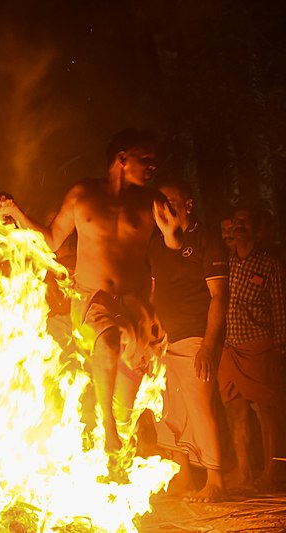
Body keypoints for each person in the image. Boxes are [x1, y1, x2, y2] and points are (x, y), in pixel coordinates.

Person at [0, 128, 182, 471]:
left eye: (154, 160)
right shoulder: (83, 194)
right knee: (106, 344)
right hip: (95, 298)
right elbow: (49, 241)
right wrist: (16, 213)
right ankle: (105, 424)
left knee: (128, 397)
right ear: (122, 159)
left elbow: (175, 245)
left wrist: (170, 231)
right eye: (145, 158)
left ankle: (117, 453)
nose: (153, 166)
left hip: (135, 303)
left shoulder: (151, 200)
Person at [148, 178, 228, 502]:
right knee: (166, 409)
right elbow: (154, 294)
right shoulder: (156, 245)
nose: (164, 209)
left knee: (198, 407)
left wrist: (209, 345)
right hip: (164, 340)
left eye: (171, 201)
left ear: (188, 204)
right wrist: (150, 334)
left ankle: (216, 481)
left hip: (196, 337)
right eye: (160, 203)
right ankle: (182, 476)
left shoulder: (207, 240)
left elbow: (219, 296)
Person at [218, 205, 286, 491]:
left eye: (246, 221)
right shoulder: (225, 263)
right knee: (234, 409)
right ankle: (244, 473)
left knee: (266, 411)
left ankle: (272, 472)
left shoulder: (269, 264)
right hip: (228, 346)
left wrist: (279, 348)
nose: (239, 225)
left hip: (258, 346)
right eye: (237, 222)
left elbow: (280, 307)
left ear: (257, 230)